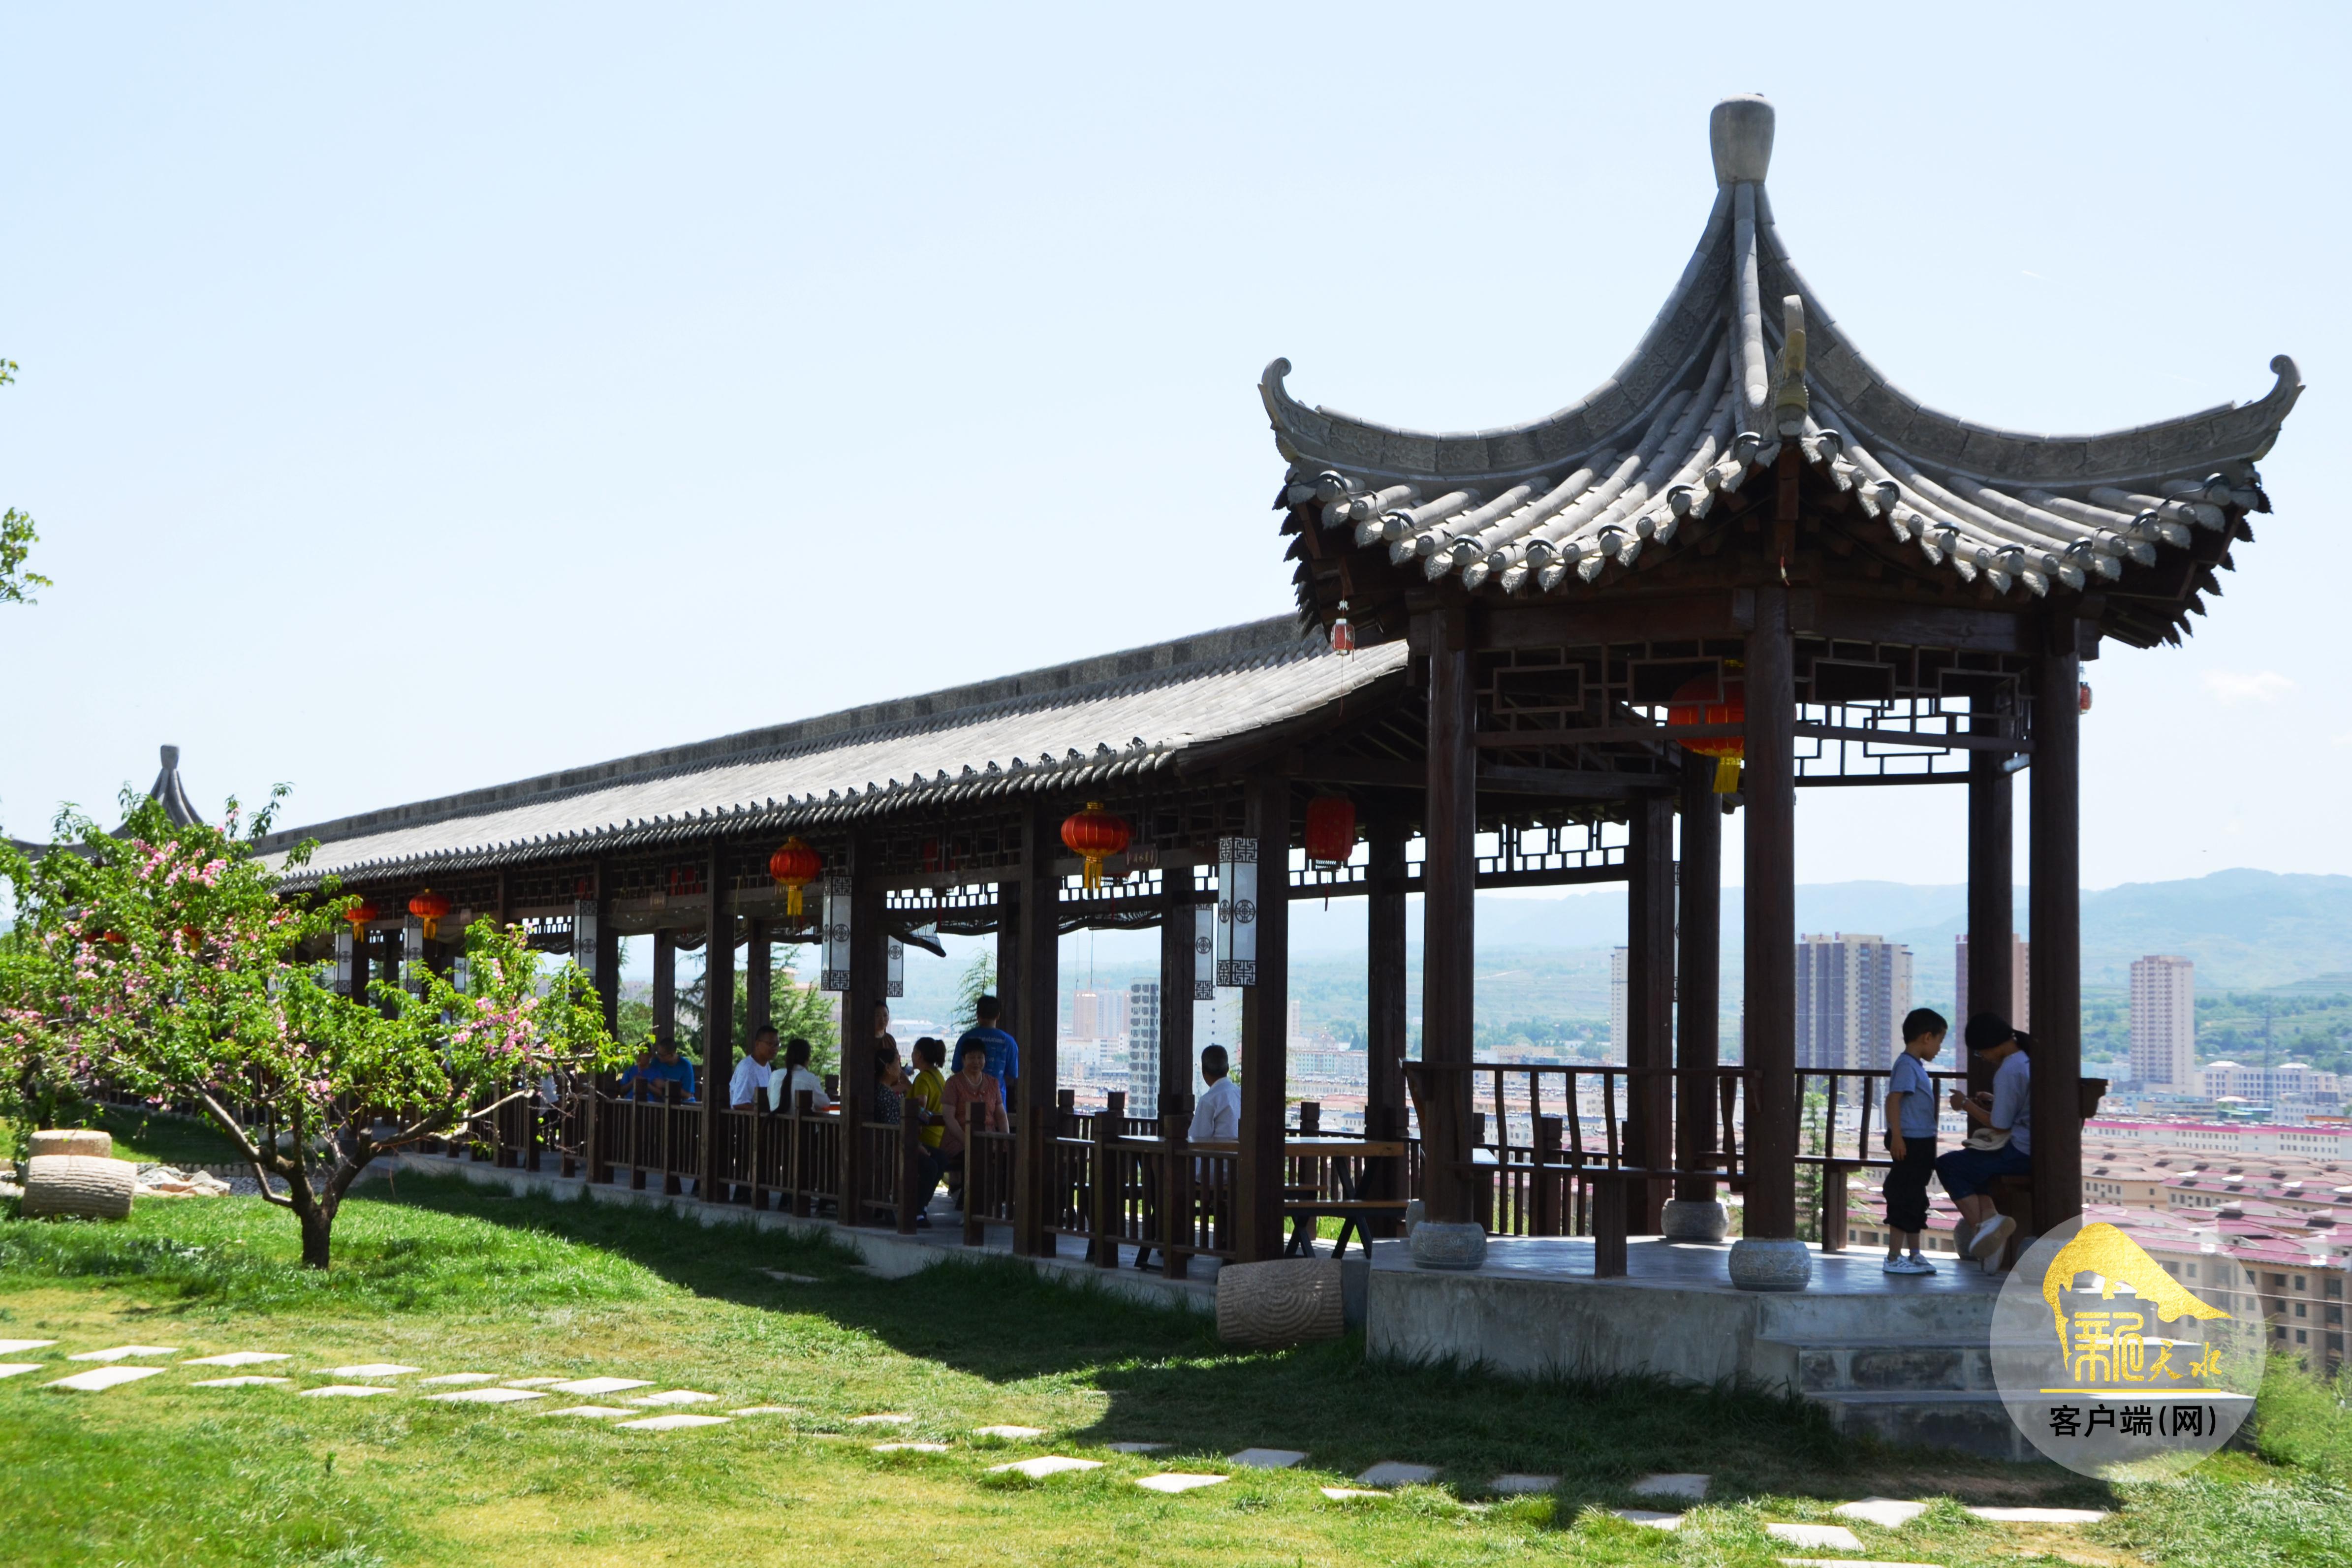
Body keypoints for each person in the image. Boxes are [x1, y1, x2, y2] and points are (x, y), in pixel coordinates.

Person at [1934, 1013, 2035, 1265]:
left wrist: (1965, 1104)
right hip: (2033, 1146)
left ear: (1991, 1045)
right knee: (1974, 1163)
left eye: (1980, 1053)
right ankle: (1990, 1226)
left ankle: (1982, 1231)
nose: (1984, 1058)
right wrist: (1995, 1101)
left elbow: (1999, 1125)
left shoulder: (2008, 1071)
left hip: (2020, 1151)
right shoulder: (2025, 1060)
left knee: (1949, 1165)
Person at [1880, 1007, 1947, 1275]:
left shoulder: (1914, 1066)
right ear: (1927, 1037)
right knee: (1904, 1195)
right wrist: (1897, 1136)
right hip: (1910, 1139)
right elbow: (1893, 1099)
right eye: (1940, 1041)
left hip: (1920, 1140)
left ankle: (1915, 1254)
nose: (1940, 1048)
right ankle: (1894, 1256)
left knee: (1916, 1196)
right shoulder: (1907, 1066)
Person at [941, 1038, 1007, 1211]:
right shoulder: (953, 1083)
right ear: (963, 1059)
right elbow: (949, 1117)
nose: (976, 1062)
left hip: (988, 1137)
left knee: (1010, 1156)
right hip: (959, 1139)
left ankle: (996, 1202)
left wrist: (1005, 1138)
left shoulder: (993, 1083)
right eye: (972, 1057)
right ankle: (970, 1206)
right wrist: (966, 1140)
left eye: (980, 1057)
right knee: (976, 1155)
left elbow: (1001, 1115)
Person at [953, 994, 1019, 1111]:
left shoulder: (965, 1039)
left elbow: (956, 1069)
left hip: (968, 1102)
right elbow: (1013, 1074)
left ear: (977, 1015)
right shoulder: (1009, 1042)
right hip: (997, 1104)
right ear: (998, 1015)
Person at [766, 1036, 834, 1113]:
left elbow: (770, 1097)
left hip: (775, 1121)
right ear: (807, 1059)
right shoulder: (810, 1079)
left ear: (787, 1057)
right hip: (802, 1121)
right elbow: (825, 1103)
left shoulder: (775, 1075)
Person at [1188, 1044, 1239, 1143]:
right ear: (1228, 1068)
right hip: (1242, 1152)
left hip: (1219, 1152)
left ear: (1204, 1071)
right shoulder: (1241, 1095)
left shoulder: (1208, 1100)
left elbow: (1195, 1138)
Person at [630, 1036, 697, 1101]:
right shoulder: (656, 1062)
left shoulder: (685, 1066)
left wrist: (665, 1085)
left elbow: (688, 1095)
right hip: (662, 1103)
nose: (659, 1057)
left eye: (662, 1055)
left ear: (672, 1055)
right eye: (658, 1054)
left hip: (684, 1103)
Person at [729, 1025, 779, 1109]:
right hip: (745, 1117)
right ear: (757, 1044)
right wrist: (765, 1112)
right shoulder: (747, 1068)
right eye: (770, 1044)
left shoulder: (767, 1066)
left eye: (777, 1044)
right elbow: (739, 1103)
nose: (775, 1048)